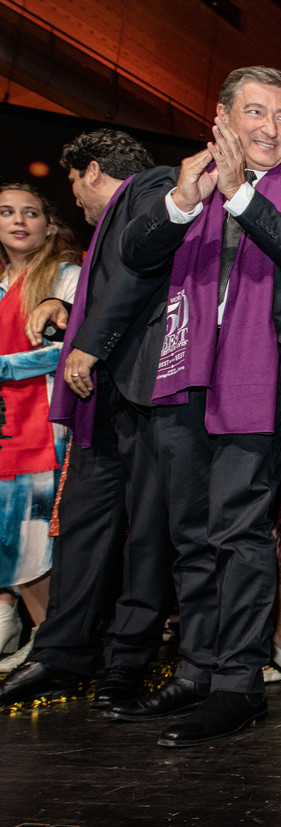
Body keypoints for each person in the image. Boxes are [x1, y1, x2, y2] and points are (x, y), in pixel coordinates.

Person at [104, 66, 281, 747]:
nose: (269, 128)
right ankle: (195, 667)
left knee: (238, 531)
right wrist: (186, 198)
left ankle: (237, 680)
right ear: (223, 119)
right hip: (180, 372)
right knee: (189, 531)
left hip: (258, 379)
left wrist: (239, 196)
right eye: (255, 113)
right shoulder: (183, 180)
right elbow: (134, 252)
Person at [0, 131, 173, 711]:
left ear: (92, 169)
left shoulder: (156, 192)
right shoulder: (120, 218)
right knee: (83, 529)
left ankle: (127, 659)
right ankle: (59, 654)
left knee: (146, 535)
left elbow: (142, 284)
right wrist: (70, 309)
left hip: (151, 396)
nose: (75, 200)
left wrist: (88, 335)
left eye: (73, 185)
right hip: (103, 399)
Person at [0, 184, 80, 673]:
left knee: (35, 539)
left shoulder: (65, 277)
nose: (19, 220)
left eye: (31, 212)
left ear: (49, 226)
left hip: (46, 427)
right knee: (8, 534)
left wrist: (4, 367)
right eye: (7, 212)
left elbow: (70, 348)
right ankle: (16, 625)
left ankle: (51, 643)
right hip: (4, 428)